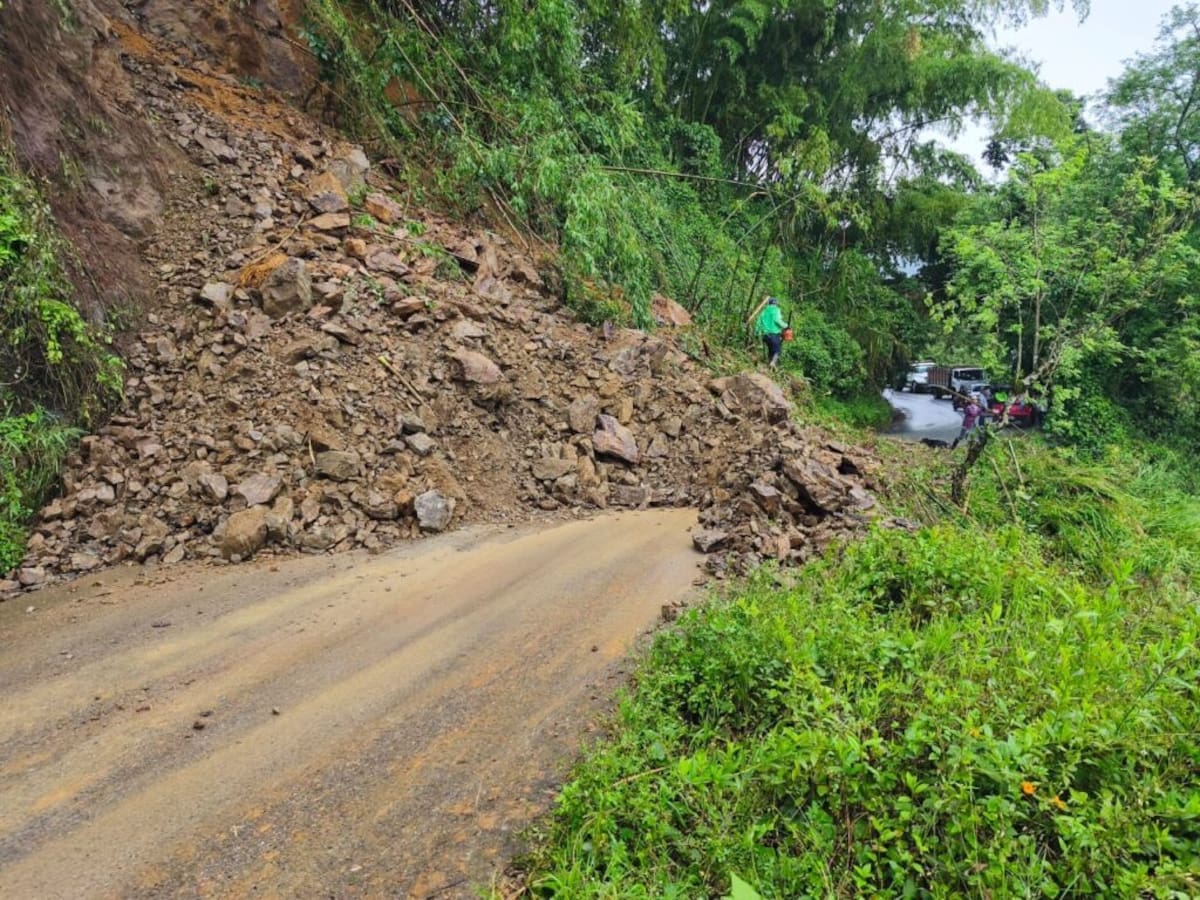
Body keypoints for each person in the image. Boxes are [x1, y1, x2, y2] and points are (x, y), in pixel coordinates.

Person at [754, 297, 788, 368]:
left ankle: (769, 366)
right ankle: (772, 363)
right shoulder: (776, 310)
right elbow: (777, 320)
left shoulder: (764, 311)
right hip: (774, 334)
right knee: (777, 351)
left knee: (770, 349)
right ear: (776, 303)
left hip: (765, 335)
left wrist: (757, 333)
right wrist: (786, 326)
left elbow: (758, 322)